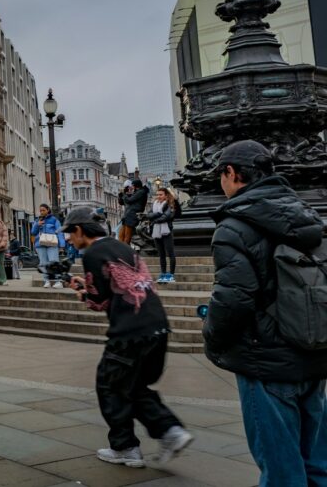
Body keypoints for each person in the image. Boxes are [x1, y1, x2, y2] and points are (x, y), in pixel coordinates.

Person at [204, 140, 327, 485]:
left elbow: (234, 300)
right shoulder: (306, 215)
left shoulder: (234, 226)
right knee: (317, 463)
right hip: (312, 354)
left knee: (281, 470)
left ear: (231, 173)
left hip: (266, 360)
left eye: (221, 175)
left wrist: (213, 338)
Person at [64, 207, 193, 468]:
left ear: (79, 230)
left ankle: (126, 447)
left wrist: (82, 294)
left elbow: (99, 301)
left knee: (109, 385)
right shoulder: (124, 247)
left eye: (69, 233)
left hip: (129, 332)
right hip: (157, 327)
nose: (68, 239)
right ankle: (171, 432)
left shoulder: (93, 253)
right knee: (132, 386)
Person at [148, 188, 178, 283]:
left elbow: (167, 216)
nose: (158, 196)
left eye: (161, 194)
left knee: (170, 253)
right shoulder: (154, 204)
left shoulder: (170, 204)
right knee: (161, 255)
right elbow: (149, 215)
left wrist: (155, 219)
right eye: (157, 194)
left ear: (166, 195)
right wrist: (158, 214)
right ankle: (163, 274)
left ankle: (171, 275)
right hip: (157, 231)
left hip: (166, 231)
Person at [31, 204, 65, 288]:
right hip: (40, 244)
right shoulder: (37, 220)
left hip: (52, 243)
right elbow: (33, 232)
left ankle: (58, 281)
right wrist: (37, 224)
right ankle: (46, 281)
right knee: (43, 263)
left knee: (54, 261)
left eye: (43, 210)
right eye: (40, 210)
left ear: (48, 210)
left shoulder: (54, 220)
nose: (42, 212)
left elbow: (60, 232)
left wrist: (62, 245)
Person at [118, 179, 150, 245]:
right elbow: (122, 202)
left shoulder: (141, 192)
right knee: (121, 235)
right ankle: (121, 250)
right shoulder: (136, 192)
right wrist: (122, 194)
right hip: (127, 216)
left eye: (132, 185)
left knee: (127, 237)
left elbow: (129, 200)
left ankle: (125, 252)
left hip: (132, 216)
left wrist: (124, 195)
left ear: (136, 186)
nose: (131, 187)